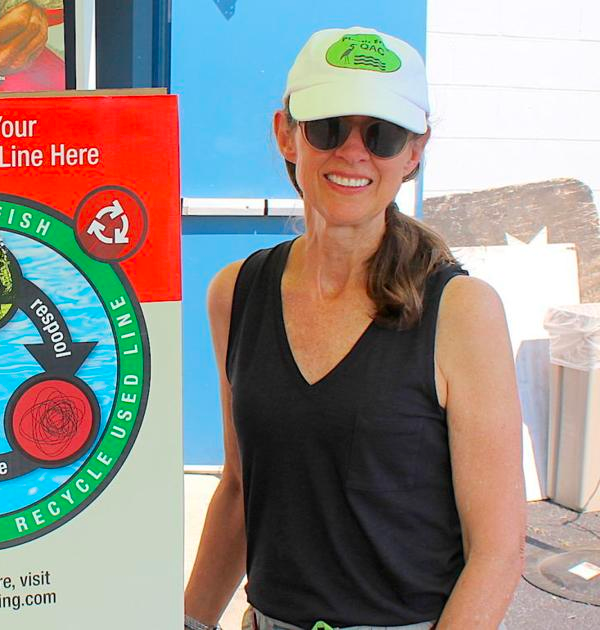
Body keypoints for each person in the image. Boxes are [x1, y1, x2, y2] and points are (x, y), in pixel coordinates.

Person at [182, 27, 524, 630]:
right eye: (329, 126)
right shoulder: (235, 293)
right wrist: (189, 621)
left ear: (414, 153)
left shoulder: (463, 311)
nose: (353, 152)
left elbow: (497, 552)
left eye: (384, 134)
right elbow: (239, 489)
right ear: (288, 134)